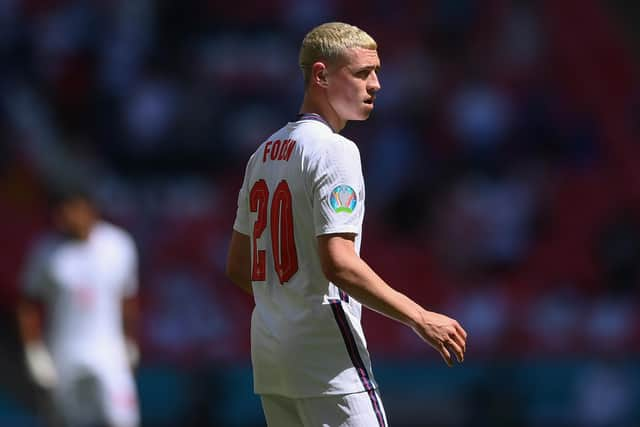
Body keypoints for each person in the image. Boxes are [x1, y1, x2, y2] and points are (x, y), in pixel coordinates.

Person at [225, 22, 468, 427]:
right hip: (325, 354)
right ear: (321, 75)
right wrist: (420, 317)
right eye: (361, 73)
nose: (376, 85)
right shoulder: (335, 151)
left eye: (375, 72)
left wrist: (288, 300)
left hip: (271, 352)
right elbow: (338, 262)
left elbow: (238, 266)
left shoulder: (262, 154)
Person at [17, 188, 140, 427]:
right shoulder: (45, 251)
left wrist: (130, 340)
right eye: (60, 211)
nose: (65, 216)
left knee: (122, 419)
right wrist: (34, 350)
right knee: (69, 421)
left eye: (71, 209)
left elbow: (128, 297)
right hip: (64, 353)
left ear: (89, 209)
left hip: (110, 352)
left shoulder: (119, 245)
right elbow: (28, 303)